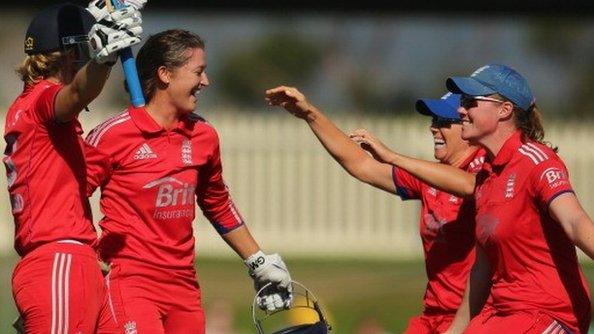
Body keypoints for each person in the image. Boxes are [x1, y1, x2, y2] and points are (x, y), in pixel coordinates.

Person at [351, 64, 594, 334]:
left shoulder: (536, 160)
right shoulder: (486, 178)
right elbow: (481, 268)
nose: (460, 110)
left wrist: (393, 157)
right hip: (502, 314)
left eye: (471, 102)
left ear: (505, 110)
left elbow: (575, 223)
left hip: (549, 314)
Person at [84, 29, 293, 334]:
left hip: (183, 286)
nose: (205, 82)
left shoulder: (203, 135)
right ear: (165, 74)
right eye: (198, 72)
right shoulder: (112, 135)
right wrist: (79, 260)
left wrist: (258, 260)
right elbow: (70, 199)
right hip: (129, 282)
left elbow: (217, 203)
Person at [265, 86, 487, 333]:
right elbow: (362, 165)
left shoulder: (484, 172)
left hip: (475, 318)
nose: (434, 127)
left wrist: (392, 156)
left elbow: (470, 186)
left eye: (445, 121)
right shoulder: (428, 177)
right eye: (434, 120)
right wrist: (310, 114)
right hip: (432, 316)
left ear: (468, 127)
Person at [4, 1, 143, 333]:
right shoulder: (43, 101)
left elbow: (107, 159)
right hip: (60, 259)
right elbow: (78, 91)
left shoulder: (42, 124)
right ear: (68, 55)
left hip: (65, 262)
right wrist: (105, 56)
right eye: (84, 50)